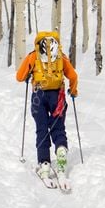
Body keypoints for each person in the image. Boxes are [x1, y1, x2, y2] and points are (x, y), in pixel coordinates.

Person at [15, 31, 78, 187]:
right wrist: (73, 90)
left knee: (42, 129)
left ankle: (44, 164)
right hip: (58, 96)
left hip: (39, 96)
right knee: (58, 128)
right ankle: (61, 150)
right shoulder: (61, 56)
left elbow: (19, 77)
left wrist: (30, 74)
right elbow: (73, 76)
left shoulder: (33, 56)